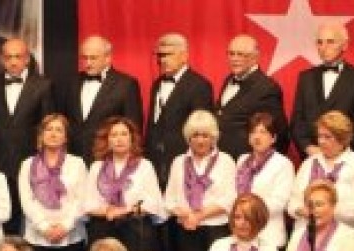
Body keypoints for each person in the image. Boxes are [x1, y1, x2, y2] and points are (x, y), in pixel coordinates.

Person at [17, 114, 88, 251]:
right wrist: (44, 227)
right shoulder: (27, 164)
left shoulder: (77, 164)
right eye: (49, 129)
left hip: (71, 237)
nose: (53, 134)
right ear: (41, 135)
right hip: (38, 237)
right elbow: (26, 200)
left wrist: (65, 226)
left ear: (66, 137)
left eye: (59, 130)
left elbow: (81, 199)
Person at [0, 37, 55, 233]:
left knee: (34, 214)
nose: (13, 61)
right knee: (1, 216)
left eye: (18, 56)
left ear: (27, 59)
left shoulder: (43, 85)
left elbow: (47, 126)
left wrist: (43, 161)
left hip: (31, 161)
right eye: (8, 57)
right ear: (1, 59)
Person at [163, 109, 236, 251]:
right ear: (188, 138)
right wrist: (184, 214)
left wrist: (199, 216)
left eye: (205, 135)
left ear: (213, 137)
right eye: (195, 135)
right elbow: (168, 199)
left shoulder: (226, 161)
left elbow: (229, 199)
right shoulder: (179, 162)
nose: (200, 140)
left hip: (216, 230)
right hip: (187, 231)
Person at [287, 111, 354, 251]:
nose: (321, 141)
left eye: (327, 137)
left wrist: (323, 212)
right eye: (320, 136)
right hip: (309, 243)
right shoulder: (309, 164)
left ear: (342, 139)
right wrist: (301, 210)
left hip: (345, 247)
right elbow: (292, 204)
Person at [79, 116, 165, 251]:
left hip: (136, 229)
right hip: (104, 227)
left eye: (124, 134)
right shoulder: (96, 167)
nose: (119, 139)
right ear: (107, 140)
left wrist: (125, 210)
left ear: (132, 139)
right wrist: (107, 211)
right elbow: (88, 204)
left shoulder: (145, 165)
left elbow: (153, 203)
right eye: (114, 135)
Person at [289, 23, 354, 157]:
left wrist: (336, 148)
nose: (323, 47)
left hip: (346, 157)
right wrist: (307, 147)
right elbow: (297, 121)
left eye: (330, 42)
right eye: (320, 42)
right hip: (312, 156)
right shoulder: (306, 78)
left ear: (344, 45)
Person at [144, 33, 214, 189]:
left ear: (184, 56)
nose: (163, 60)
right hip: (154, 161)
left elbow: (201, 129)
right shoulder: (157, 84)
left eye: (168, 54)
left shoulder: (199, 85)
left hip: (183, 161)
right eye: (160, 55)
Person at [64, 35, 144, 163]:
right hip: (74, 158)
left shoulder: (126, 84)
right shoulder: (72, 82)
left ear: (108, 58)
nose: (88, 63)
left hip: (109, 158)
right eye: (84, 58)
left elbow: (133, 126)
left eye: (93, 58)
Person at [214, 34, 288, 159]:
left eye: (241, 54)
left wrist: (265, 163)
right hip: (221, 160)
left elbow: (279, 131)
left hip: (248, 162)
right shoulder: (228, 79)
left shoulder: (267, 87)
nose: (234, 58)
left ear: (255, 57)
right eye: (231, 53)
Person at [233, 112, 294, 250]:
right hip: (242, 234)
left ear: (273, 138)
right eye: (253, 132)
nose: (257, 136)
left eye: (263, 132)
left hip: (269, 235)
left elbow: (279, 202)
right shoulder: (242, 160)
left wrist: (248, 209)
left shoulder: (283, 163)